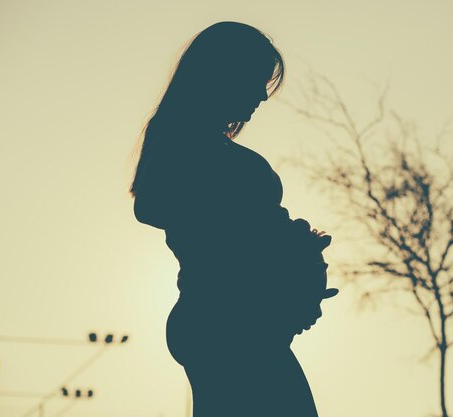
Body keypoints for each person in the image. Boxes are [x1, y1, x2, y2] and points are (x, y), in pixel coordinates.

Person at [129, 21, 338, 417]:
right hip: (228, 327)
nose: (262, 95)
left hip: (242, 325)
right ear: (222, 76)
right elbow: (155, 206)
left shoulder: (199, 145)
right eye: (255, 79)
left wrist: (296, 255)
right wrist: (279, 248)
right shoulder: (185, 143)